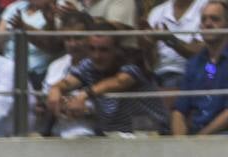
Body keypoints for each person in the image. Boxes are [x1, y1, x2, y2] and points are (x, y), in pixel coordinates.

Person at [45, 33, 163, 136]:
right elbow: (68, 82)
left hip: (150, 133)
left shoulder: (133, 61)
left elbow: (120, 81)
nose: (97, 56)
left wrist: (84, 94)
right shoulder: (89, 64)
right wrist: (56, 89)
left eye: (104, 50)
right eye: (92, 49)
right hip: (112, 136)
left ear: (116, 49)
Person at [170, 0, 228, 136]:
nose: (208, 24)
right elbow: (179, 110)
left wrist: (200, 139)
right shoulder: (194, 63)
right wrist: (180, 143)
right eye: (204, 19)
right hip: (197, 137)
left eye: (215, 19)